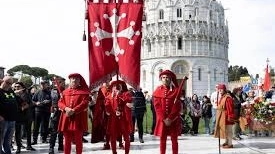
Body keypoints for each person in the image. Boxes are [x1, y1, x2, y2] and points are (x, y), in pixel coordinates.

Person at [57, 73, 89, 154]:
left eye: (76, 79)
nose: (74, 80)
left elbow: (84, 103)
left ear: (79, 81)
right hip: (66, 118)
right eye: (72, 79)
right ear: (70, 81)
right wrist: (66, 108)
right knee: (67, 140)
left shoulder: (84, 92)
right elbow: (60, 103)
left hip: (78, 119)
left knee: (78, 140)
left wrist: (74, 110)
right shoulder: (64, 92)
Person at [153, 70, 182, 154]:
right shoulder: (157, 90)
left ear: (171, 79)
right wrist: (164, 119)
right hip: (162, 120)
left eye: (167, 78)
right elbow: (157, 106)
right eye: (163, 77)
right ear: (161, 79)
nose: (165, 79)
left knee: (174, 140)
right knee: (162, 139)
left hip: (173, 120)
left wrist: (170, 118)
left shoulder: (176, 91)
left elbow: (177, 107)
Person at [105, 80, 133, 154]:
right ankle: (114, 152)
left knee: (126, 138)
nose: (116, 87)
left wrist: (120, 95)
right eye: (114, 86)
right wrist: (109, 110)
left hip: (124, 119)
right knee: (113, 137)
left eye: (118, 86)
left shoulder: (126, 94)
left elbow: (129, 102)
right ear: (112, 88)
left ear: (122, 87)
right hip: (113, 119)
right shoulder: (109, 96)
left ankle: (127, 152)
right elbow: (107, 107)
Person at [0, 76, 21, 154]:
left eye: (10, 84)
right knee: (1, 139)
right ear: (3, 82)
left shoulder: (11, 91)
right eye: (8, 83)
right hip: (3, 120)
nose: (9, 85)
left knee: (8, 140)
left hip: (12, 120)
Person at [13, 82, 36, 153]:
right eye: (15, 86)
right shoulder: (13, 94)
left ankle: (29, 145)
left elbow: (30, 104)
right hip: (17, 116)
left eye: (18, 86)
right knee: (18, 132)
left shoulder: (26, 94)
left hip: (27, 116)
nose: (16, 88)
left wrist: (26, 106)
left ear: (22, 87)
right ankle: (18, 147)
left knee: (28, 131)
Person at [214, 84, 235, 149]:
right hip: (223, 117)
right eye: (219, 89)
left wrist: (230, 117)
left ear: (224, 89)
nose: (220, 90)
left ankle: (230, 144)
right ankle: (226, 142)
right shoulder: (223, 96)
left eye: (221, 89)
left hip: (227, 117)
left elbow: (230, 108)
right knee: (225, 130)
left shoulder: (228, 98)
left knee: (229, 131)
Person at [48, 77, 66, 154]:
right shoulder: (52, 91)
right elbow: (52, 100)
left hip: (63, 112)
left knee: (61, 131)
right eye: (60, 82)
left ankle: (61, 146)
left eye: (63, 82)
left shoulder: (66, 91)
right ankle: (51, 147)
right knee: (54, 131)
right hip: (55, 112)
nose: (62, 83)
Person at [32, 80, 52, 144]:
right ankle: (34, 140)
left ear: (47, 85)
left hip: (46, 111)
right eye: (42, 84)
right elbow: (32, 101)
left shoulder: (50, 93)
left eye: (44, 84)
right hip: (38, 111)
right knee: (36, 126)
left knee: (45, 126)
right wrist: (36, 103)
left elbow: (53, 100)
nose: (43, 85)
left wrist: (49, 101)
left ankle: (44, 139)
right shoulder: (37, 92)